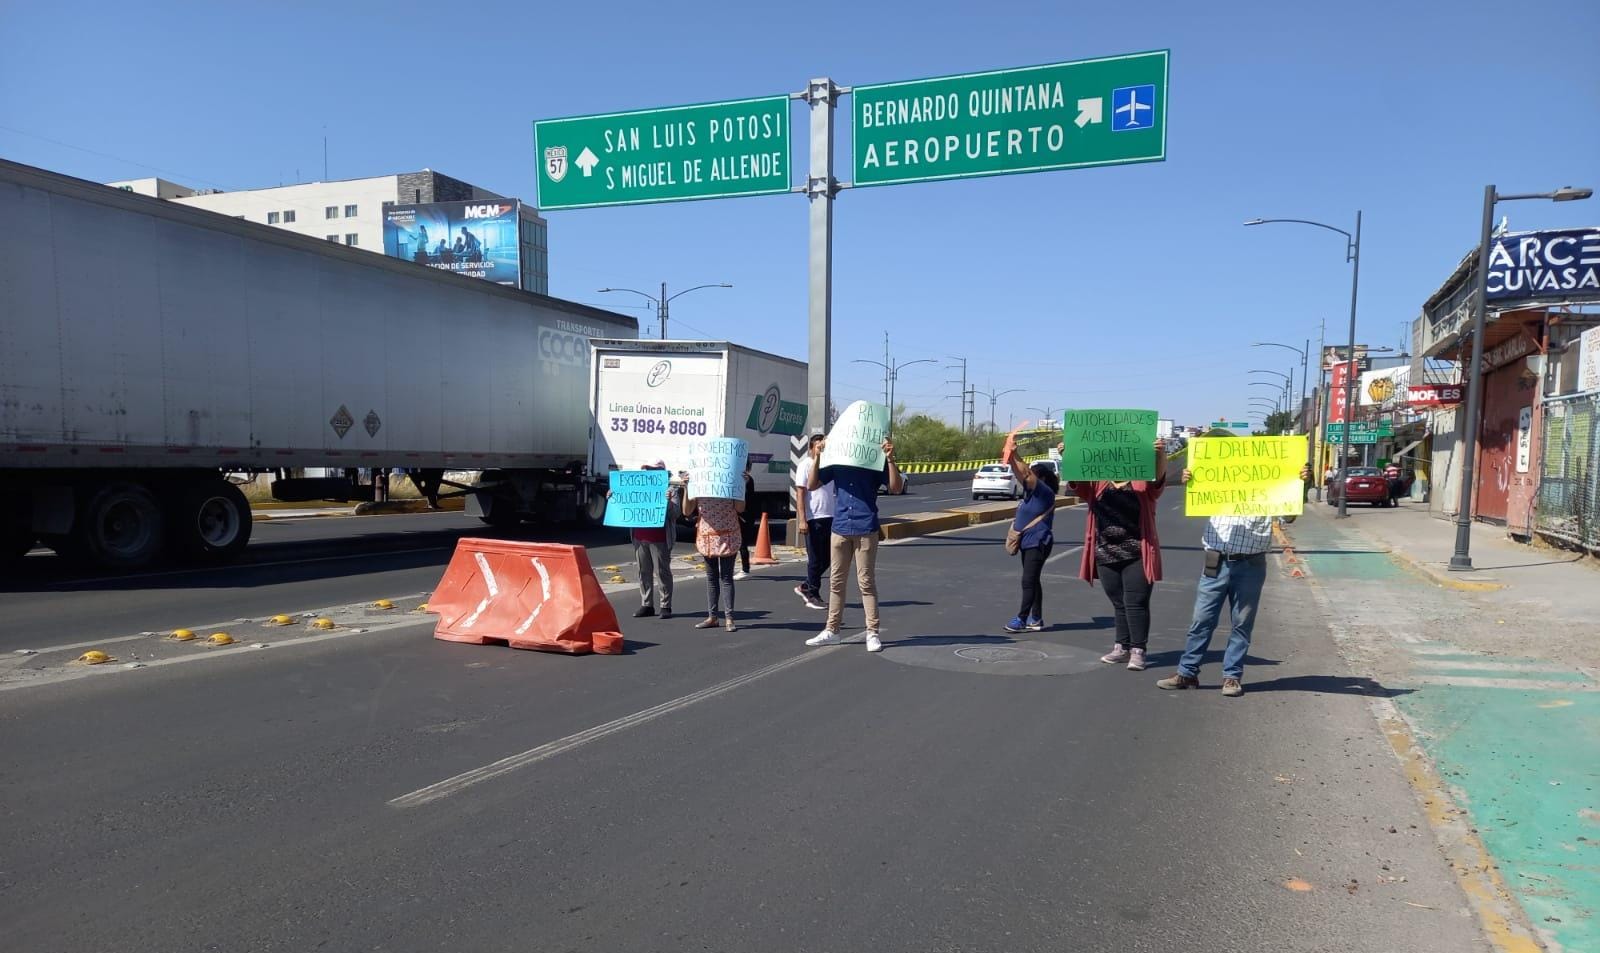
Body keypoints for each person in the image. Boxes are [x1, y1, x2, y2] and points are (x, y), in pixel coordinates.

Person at [1157, 467, 1274, 697]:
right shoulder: (1218, 484)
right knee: (1201, 619)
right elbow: (1197, 499)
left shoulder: (1270, 489)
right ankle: (1187, 673)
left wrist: (1298, 484)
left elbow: (1288, 514)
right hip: (1215, 561)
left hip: (1251, 564)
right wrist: (1190, 482)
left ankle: (1232, 677)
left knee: (1241, 622)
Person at [1066, 439, 1169, 672]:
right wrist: (1068, 455)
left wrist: (1160, 454)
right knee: (1119, 602)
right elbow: (1076, 484)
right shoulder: (1098, 481)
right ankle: (1121, 647)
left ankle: (1138, 650)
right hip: (1105, 552)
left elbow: (1160, 480)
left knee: (1136, 603)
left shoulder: (1142, 480)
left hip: (1137, 552)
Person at [804, 436, 903, 652]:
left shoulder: (874, 461)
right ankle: (832, 630)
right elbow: (811, 484)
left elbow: (896, 487)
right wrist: (818, 457)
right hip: (839, 527)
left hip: (866, 527)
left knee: (866, 582)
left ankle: (872, 632)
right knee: (836, 582)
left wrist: (890, 459)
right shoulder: (837, 461)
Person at [1003, 436, 1060, 634]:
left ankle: (1021, 618)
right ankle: (1036, 618)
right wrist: (1009, 456)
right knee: (1033, 580)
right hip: (1028, 542)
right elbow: (1022, 474)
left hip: (1038, 541)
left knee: (1028, 580)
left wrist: (1015, 453)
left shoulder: (1044, 492)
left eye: (1034, 474)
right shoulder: (1030, 495)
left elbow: (1025, 473)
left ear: (1042, 478)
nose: (1026, 477)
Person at [682, 479, 743, 632]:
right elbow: (686, 511)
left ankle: (729, 618)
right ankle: (713, 616)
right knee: (711, 578)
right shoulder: (699, 482)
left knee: (727, 577)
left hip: (728, 534)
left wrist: (740, 485)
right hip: (707, 536)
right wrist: (687, 487)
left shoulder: (730, 480)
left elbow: (740, 508)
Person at [624, 460, 680, 620]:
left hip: (660, 538)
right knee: (643, 571)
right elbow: (623, 504)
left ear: (663, 472)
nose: (650, 473)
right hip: (640, 537)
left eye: (654, 470)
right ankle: (647, 604)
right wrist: (613, 498)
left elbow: (676, 514)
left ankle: (665, 605)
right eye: (648, 470)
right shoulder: (637, 488)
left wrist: (668, 502)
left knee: (662, 572)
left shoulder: (671, 490)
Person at [792, 433, 833, 611]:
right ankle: (812, 595)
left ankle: (806, 586)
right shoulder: (805, 465)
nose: (822, 449)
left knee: (829, 558)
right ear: (811, 448)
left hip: (831, 517)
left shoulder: (830, 466)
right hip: (814, 517)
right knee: (815, 559)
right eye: (819, 446)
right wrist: (802, 519)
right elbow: (800, 493)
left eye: (824, 446)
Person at [735, 460, 756, 580]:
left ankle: (745, 569)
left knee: (742, 543)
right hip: (741, 515)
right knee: (739, 543)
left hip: (745, 516)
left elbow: (748, 495)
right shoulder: (744, 479)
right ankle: (744, 568)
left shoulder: (748, 480)